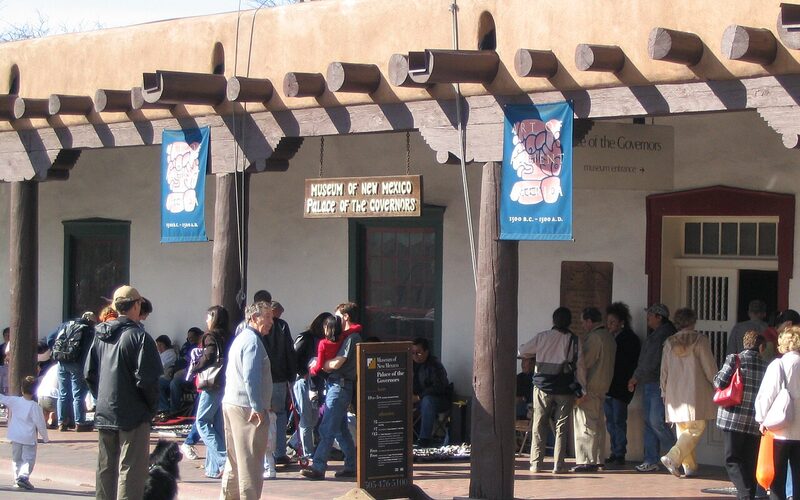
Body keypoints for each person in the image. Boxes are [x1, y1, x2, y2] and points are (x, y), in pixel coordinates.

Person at [84, 285, 162, 500]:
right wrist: (151, 407)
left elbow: (89, 374)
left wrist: (102, 398)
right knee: (132, 470)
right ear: (136, 305)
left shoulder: (100, 335)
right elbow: (148, 380)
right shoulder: (139, 337)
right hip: (133, 413)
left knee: (105, 467)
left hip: (105, 410)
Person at [519, 306, 586, 474]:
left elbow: (523, 350)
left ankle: (536, 463)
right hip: (565, 388)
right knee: (561, 427)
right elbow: (580, 367)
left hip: (542, 386)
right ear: (569, 322)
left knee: (539, 424)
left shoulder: (542, 337)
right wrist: (583, 389)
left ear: (554, 321)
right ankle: (559, 465)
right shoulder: (574, 340)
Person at [301, 303, 363, 481]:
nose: (334, 320)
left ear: (345, 317)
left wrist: (319, 366)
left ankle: (318, 466)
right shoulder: (345, 337)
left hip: (340, 385)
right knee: (341, 429)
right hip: (336, 384)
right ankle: (352, 465)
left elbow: (338, 363)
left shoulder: (352, 338)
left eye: (337, 316)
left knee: (327, 427)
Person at [220, 301, 273, 500]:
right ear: (254, 318)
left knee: (234, 462)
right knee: (250, 464)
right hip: (246, 408)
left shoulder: (241, 338)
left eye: (271, 317)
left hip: (231, 403)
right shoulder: (252, 341)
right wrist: (258, 406)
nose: (270, 322)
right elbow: (251, 376)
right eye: (266, 317)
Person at [660, 307, 718, 478]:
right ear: (693, 321)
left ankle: (690, 467)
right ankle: (673, 457)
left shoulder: (669, 342)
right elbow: (709, 367)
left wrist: (663, 391)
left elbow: (664, 370)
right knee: (695, 428)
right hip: (695, 393)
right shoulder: (700, 340)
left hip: (674, 393)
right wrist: (717, 384)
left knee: (682, 428)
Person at [715, 330, 768, 499]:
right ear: (761, 347)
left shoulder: (734, 359)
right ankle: (749, 493)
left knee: (732, 458)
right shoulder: (767, 366)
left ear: (745, 344)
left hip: (733, 418)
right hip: (754, 421)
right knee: (750, 459)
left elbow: (719, 382)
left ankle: (744, 494)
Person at [629, 303, 677, 472]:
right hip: (650, 382)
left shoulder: (663, 335)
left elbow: (650, 361)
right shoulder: (658, 334)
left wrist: (635, 377)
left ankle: (677, 455)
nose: (648, 318)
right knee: (650, 421)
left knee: (656, 421)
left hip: (657, 382)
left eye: (650, 315)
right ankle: (651, 459)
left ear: (659, 317)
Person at [755, 325, 800, 500]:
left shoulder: (778, 365)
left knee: (777, 479)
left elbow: (766, 395)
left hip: (779, 430)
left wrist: (762, 419)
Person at [572, 307, 616, 473]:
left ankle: (586, 460)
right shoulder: (609, 337)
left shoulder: (595, 337)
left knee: (585, 422)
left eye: (584, 321)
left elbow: (585, 363)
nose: (583, 325)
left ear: (590, 321)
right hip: (604, 384)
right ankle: (598, 459)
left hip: (591, 385)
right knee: (599, 424)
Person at [189, 305, 230, 479]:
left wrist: (196, 367)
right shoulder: (229, 335)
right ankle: (213, 469)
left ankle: (224, 459)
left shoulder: (210, 336)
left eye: (208, 316)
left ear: (213, 317)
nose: (206, 320)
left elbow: (210, 355)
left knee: (202, 422)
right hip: (225, 382)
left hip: (212, 384)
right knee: (218, 424)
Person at [604, 301, 641, 466]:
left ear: (621, 322)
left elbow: (630, 363)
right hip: (608, 386)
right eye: (608, 322)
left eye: (613, 322)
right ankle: (614, 450)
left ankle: (620, 452)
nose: (609, 325)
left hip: (621, 385)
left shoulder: (630, 339)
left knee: (619, 420)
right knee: (610, 421)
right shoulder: (608, 338)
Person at [262, 300, 297, 472]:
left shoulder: (257, 329)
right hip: (280, 376)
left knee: (271, 416)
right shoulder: (282, 327)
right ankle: (279, 451)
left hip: (269, 377)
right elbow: (289, 351)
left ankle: (271, 455)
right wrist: (291, 374)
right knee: (280, 415)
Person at [292, 312, 332, 459]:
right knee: (307, 417)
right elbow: (294, 356)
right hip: (304, 380)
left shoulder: (323, 340)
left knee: (313, 417)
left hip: (318, 381)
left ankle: (298, 444)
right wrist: (302, 372)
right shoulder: (306, 337)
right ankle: (308, 452)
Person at [0, 375, 49, 490]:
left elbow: (2, 398)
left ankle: (17, 479)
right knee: (28, 459)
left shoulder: (15, 401)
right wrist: (45, 438)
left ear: (22, 389)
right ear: (36, 390)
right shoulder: (35, 407)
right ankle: (23, 476)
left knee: (16, 459)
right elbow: (40, 424)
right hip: (28, 438)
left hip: (15, 436)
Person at [51, 311, 96, 432]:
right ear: (91, 321)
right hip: (76, 363)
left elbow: (51, 338)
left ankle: (62, 422)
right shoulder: (88, 330)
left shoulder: (66, 325)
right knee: (78, 394)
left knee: (63, 393)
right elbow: (89, 350)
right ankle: (80, 422)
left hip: (61, 361)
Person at [411, 336, 451, 447]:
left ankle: (424, 439)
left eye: (418, 353)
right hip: (417, 400)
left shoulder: (434, 365)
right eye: (412, 353)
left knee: (427, 401)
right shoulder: (410, 365)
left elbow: (439, 387)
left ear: (426, 352)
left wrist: (419, 396)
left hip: (439, 400)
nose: (415, 356)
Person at [158, 326, 202, 416]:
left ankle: (174, 411)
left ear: (198, 337)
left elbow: (196, 364)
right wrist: (172, 368)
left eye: (192, 337)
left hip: (190, 375)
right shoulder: (186, 346)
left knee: (174, 383)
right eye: (188, 337)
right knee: (159, 382)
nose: (190, 339)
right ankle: (164, 409)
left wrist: (184, 371)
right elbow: (179, 361)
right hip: (176, 372)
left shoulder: (199, 348)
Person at [36, 363, 59, 428]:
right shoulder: (63, 368)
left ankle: (45, 421)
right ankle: (54, 417)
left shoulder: (52, 368)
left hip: (40, 394)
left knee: (44, 411)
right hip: (52, 397)